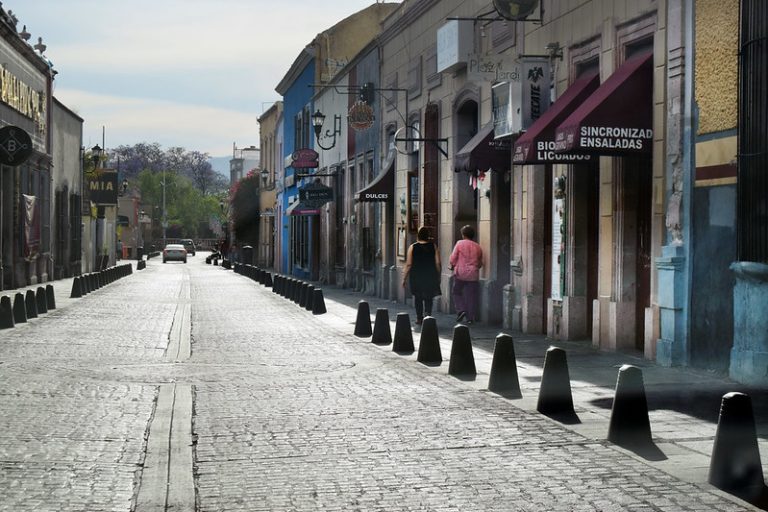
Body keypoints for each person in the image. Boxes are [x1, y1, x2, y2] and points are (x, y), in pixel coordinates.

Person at [402, 226, 442, 325]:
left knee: (418, 297)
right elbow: (438, 263)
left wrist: (404, 278)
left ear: (418, 235)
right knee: (429, 296)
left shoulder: (412, 247)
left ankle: (419, 318)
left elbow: (409, 264)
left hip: (416, 275)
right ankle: (428, 314)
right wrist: (439, 274)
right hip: (430, 274)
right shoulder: (433, 246)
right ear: (427, 236)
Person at [449, 224, 483, 324]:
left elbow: (453, 258)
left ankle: (461, 309)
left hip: (461, 273)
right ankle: (470, 318)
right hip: (473, 274)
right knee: (471, 296)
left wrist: (452, 265)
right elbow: (480, 262)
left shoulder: (459, 243)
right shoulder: (478, 246)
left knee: (456, 291)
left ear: (463, 235)